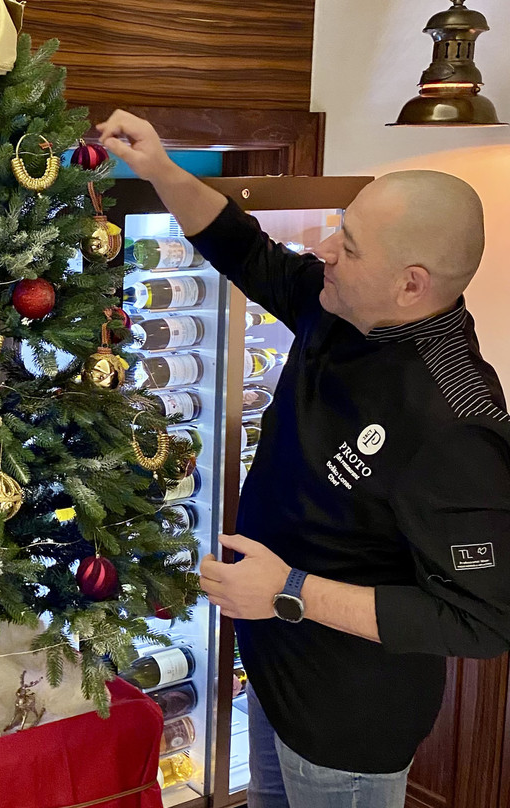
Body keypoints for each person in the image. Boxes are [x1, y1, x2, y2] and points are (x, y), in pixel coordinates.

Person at [97, 109, 510, 808]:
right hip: (276, 672)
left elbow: (483, 620)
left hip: (347, 721)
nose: (325, 249)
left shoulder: (453, 421)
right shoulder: (340, 304)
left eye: (349, 245)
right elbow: (243, 248)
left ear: (411, 283)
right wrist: (161, 169)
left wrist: (289, 590)